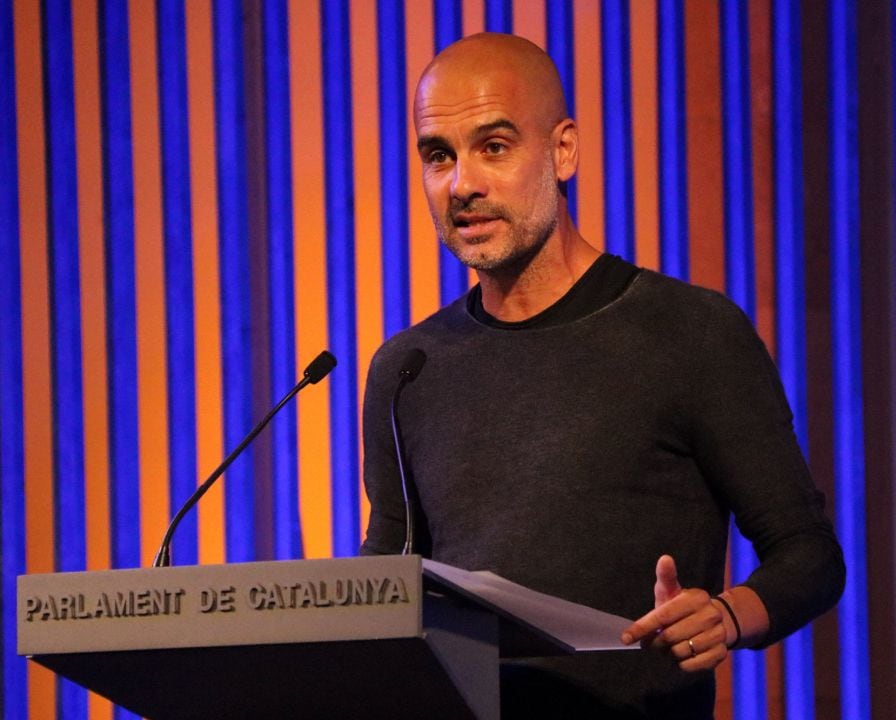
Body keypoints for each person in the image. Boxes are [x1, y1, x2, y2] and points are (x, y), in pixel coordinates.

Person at [360, 32, 844, 718]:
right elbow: (386, 587)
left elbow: (810, 555)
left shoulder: (690, 334)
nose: (461, 183)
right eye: (438, 156)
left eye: (493, 147)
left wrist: (729, 616)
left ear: (564, 151)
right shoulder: (408, 368)